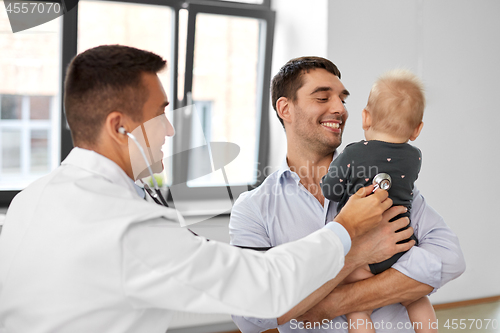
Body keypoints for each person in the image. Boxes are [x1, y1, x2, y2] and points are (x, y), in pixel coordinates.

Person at [0, 46, 406, 333]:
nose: (171, 129)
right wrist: (347, 232)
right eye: (160, 114)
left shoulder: (30, 201)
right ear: (119, 126)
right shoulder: (126, 227)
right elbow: (260, 293)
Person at [229, 57, 465, 333]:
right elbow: (250, 315)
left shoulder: (381, 183)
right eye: (322, 98)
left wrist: (333, 303)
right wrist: (355, 256)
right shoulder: (254, 208)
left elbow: (450, 259)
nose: (340, 108)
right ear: (285, 109)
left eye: (343, 99)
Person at [321, 69, 436, 333]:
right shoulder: (414, 156)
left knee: (356, 303)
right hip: (403, 243)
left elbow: (331, 191)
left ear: (365, 117)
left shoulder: (353, 153)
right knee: (416, 297)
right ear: (417, 129)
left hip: (363, 247)